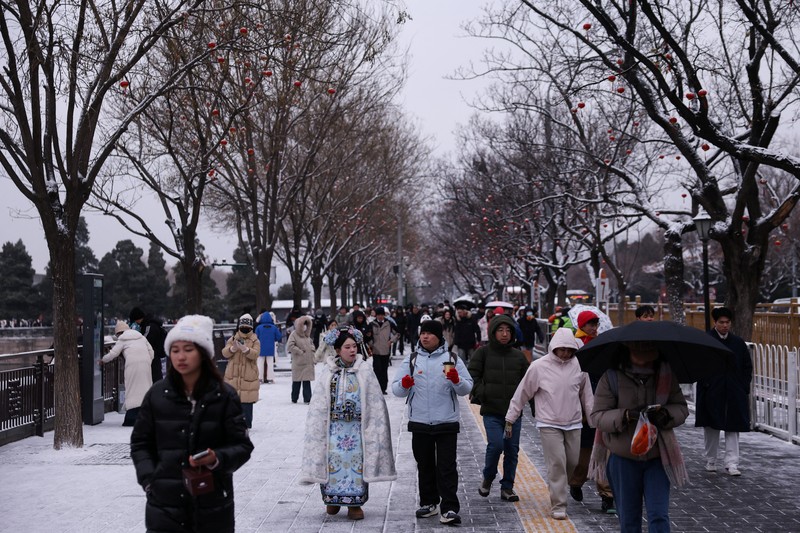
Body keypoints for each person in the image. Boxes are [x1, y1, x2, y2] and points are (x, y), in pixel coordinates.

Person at [130, 314, 254, 533]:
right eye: (175, 350)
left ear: (203, 353)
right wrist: (150, 480)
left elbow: (242, 446)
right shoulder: (157, 394)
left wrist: (217, 459)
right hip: (164, 506)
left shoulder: (224, 395)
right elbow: (140, 443)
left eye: (188, 350)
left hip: (213, 502)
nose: (181, 357)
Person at [589, 340, 689, 533]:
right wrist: (624, 415)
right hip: (623, 458)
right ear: (627, 349)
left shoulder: (666, 375)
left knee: (659, 515)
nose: (644, 353)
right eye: (639, 349)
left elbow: (681, 407)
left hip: (658, 457)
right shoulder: (611, 377)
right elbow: (598, 416)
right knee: (629, 518)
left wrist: (666, 415)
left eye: (649, 349)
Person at [300, 326, 397, 520]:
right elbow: (318, 404)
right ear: (337, 350)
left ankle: (355, 504)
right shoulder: (329, 373)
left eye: (354, 346)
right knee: (334, 462)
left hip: (357, 430)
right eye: (347, 347)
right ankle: (332, 500)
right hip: (334, 429)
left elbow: (375, 403)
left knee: (356, 465)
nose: (352, 350)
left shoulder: (365, 371)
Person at [391, 318, 473, 526]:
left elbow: (466, 388)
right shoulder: (412, 359)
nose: (425, 337)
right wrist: (405, 383)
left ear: (439, 337)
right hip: (419, 421)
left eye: (429, 333)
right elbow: (396, 390)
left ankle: (450, 508)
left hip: (446, 421)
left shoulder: (452, 358)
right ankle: (429, 503)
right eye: (422, 333)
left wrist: (456, 380)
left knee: (446, 467)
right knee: (425, 464)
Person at [504, 328, 593, 520]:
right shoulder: (539, 366)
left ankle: (557, 484)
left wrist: (594, 419)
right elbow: (522, 392)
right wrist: (511, 416)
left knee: (572, 462)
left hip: (574, 422)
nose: (565, 353)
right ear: (554, 347)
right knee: (557, 463)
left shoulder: (579, 365)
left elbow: (587, 395)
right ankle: (558, 505)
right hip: (548, 422)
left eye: (569, 350)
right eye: (562, 349)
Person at [468, 315, 529, 502]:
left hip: (513, 414)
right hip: (492, 411)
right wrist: (482, 392)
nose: (504, 334)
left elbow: (529, 382)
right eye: (500, 330)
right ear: (493, 332)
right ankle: (488, 477)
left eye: (508, 330)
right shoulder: (483, 353)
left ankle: (507, 487)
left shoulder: (519, 356)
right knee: (496, 445)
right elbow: (472, 376)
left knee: (512, 450)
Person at [695, 307, 753, 476]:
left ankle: (732, 463)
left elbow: (746, 366)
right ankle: (711, 460)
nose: (725, 326)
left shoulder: (738, 343)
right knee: (711, 427)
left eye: (728, 322)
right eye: (722, 322)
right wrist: (707, 384)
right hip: (712, 389)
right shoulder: (706, 340)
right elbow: (699, 366)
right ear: (715, 322)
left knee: (733, 427)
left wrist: (742, 386)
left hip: (734, 390)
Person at [570, 309, 616, 513]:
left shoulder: (602, 345)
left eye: (595, 323)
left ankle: (607, 495)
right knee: (585, 452)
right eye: (589, 323)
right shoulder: (573, 345)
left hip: (604, 404)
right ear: (581, 325)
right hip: (582, 406)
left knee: (604, 453)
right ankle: (576, 481)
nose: (593, 327)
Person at [100, 320, 154, 426]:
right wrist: (147, 361)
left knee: (132, 389)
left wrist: (103, 360)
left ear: (119, 333)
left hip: (132, 365)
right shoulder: (141, 337)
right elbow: (151, 351)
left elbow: (113, 353)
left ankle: (132, 417)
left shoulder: (122, 340)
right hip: (146, 364)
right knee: (145, 388)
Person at [221, 314, 261, 429]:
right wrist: (232, 349)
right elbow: (224, 353)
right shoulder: (233, 338)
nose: (244, 329)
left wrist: (246, 350)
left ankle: (247, 423)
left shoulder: (255, 340)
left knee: (247, 402)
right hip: (233, 374)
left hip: (248, 374)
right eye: (242, 326)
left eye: (247, 327)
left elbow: (256, 354)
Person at [130, 306, 167, 383]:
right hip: (153, 357)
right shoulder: (150, 325)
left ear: (137, 318)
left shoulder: (149, 326)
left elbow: (145, 341)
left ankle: (155, 394)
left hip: (153, 358)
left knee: (154, 381)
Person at [369, 307, 399, 395]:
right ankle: (376, 387)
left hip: (386, 350)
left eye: (382, 315)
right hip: (376, 351)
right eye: (378, 315)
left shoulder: (389, 323)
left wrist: (391, 341)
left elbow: (398, 333)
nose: (380, 317)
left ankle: (383, 388)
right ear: (376, 315)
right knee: (377, 369)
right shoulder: (372, 324)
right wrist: (371, 344)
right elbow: (367, 336)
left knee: (384, 370)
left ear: (384, 315)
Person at [287, 315, 315, 404]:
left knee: (307, 381)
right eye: (303, 324)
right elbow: (290, 346)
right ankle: (294, 398)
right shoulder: (294, 334)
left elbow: (311, 344)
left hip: (308, 362)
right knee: (297, 381)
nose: (305, 327)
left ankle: (307, 398)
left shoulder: (307, 336)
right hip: (298, 362)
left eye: (306, 325)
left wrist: (312, 350)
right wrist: (299, 351)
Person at [255, 311, 282, 383]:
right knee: (270, 364)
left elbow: (255, 337)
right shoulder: (274, 327)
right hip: (270, 348)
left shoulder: (259, 328)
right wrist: (273, 339)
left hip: (260, 348)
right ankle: (270, 378)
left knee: (260, 364)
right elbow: (279, 337)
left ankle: (260, 378)